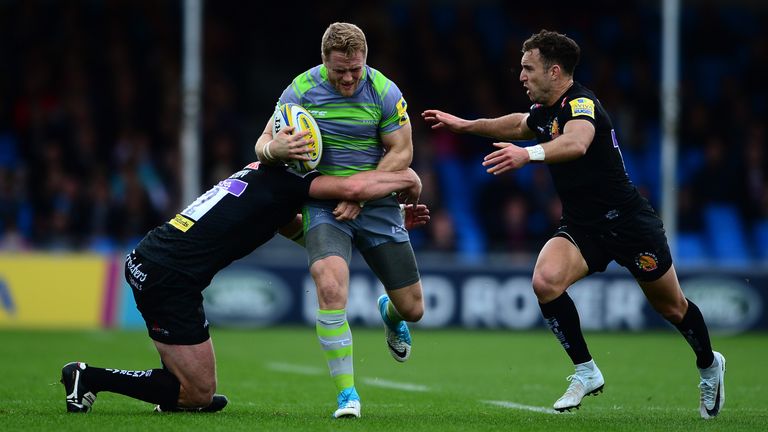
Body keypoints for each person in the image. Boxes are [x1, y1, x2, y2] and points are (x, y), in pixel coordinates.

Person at [422, 29, 725, 419]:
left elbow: (576, 142)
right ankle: (586, 370)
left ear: (555, 71)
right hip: (583, 226)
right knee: (544, 282)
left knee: (672, 307)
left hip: (629, 224)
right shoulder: (546, 109)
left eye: (528, 69)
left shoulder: (581, 103)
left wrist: (527, 155)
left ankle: (708, 364)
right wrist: (466, 126)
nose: (521, 77)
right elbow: (517, 124)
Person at [60, 156, 429, 414]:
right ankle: (88, 377)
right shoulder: (290, 182)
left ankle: (177, 394)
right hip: (167, 275)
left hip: (158, 261)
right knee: (199, 393)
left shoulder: (264, 178)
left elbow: (306, 232)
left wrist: (388, 220)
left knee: (194, 389)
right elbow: (354, 186)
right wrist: (409, 179)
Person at [254, 22, 423, 419]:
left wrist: (359, 192)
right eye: (338, 71)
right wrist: (276, 148)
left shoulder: (383, 90)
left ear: (365, 60)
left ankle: (390, 313)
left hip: (376, 203)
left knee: (413, 309)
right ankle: (347, 396)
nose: (348, 78)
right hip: (325, 204)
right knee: (330, 286)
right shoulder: (300, 91)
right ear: (324, 61)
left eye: (355, 69)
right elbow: (262, 145)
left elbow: (402, 152)